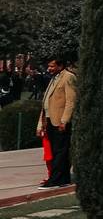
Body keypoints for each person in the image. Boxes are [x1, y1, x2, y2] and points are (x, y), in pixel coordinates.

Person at [35, 57, 78, 188]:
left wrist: (64, 120)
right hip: (49, 120)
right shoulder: (54, 78)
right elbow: (46, 102)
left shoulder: (68, 77)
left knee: (60, 151)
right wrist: (40, 124)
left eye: (52, 66)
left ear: (60, 66)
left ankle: (56, 179)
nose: (49, 69)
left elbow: (70, 101)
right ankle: (63, 179)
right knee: (55, 150)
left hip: (60, 121)